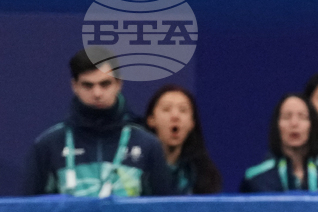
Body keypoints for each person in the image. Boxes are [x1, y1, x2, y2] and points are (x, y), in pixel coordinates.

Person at [24, 49, 173, 197]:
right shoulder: (48, 145)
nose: (97, 93)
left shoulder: (147, 145)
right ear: (74, 86)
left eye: (105, 84)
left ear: (118, 84)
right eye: (88, 85)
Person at [240, 94, 318, 193]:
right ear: (277, 126)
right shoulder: (256, 179)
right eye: (287, 117)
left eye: (302, 117)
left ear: (312, 126)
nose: (294, 123)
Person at [144, 85, 223, 195]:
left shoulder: (205, 174)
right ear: (151, 120)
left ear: (192, 123)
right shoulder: (137, 170)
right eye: (166, 109)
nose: (175, 116)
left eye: (183, 110)